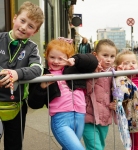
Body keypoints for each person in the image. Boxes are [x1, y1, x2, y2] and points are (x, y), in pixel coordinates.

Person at [27, 37, 98, 150]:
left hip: (80, 116)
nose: (55, 61)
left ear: (68, 58)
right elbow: (33, 103)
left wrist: (75, 60)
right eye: (52, 57)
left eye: (60, 58)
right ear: (46, 56)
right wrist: (42, 87)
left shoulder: (75, 69)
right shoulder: (43, 74)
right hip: (60, 119)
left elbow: (93, 61)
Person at [0, 1, 44, 150]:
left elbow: (38, 68)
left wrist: (17, 74)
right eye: (22, 20)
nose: (24, 27)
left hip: (17, 106)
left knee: (14, 146)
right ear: (14, 18)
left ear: (35, 32)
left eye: (31, 26)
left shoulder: (32, 48)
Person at [83, 39, 118, 150]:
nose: (109, 59)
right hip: (88, 117)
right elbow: (86, 90)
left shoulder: (115, 72)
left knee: (100, 146)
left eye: (112, 56)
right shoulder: (89, 70)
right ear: (95, 55)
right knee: (95, 148)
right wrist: (95, 74)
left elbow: (118, 92)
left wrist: (116, 102)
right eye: (105, 55)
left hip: (105, 116)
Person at [115, 50, 138, 150]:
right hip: (137, 119)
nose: (131, 65)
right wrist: (120, 74)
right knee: (137, 146)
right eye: (126, 63)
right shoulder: (121, 80)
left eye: (133, 62)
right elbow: (120, 93)